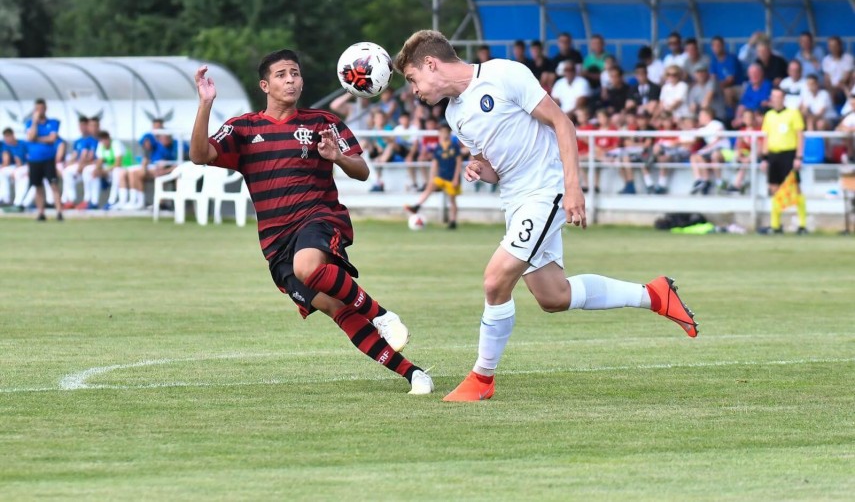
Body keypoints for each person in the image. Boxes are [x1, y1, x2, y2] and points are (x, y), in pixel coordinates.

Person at [393, 30, 698, 402]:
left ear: (431, 63)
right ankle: (653, 295)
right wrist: (478, 169)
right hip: (516, 201)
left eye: (413, 79)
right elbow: (494, 168)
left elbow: (562, 123)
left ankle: (482, 378)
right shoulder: (454, 114)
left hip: (545, 191)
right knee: (554, 296)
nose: (414, 90)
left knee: (495, 281)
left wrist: (573, 187)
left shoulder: (503, 74)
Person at [188, 49, 433, 395]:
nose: (291, 80)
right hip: (275, 244)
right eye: (282, 75)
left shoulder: (323, 122)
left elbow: (362, 171)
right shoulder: (243, 128)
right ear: (265, 85)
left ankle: (382, 315)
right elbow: (199, 155)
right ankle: (414, 374)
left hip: (318, 219)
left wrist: (338, 157)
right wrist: (205, 104)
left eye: (295, 73)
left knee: (308, 267)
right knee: (336, 307)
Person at [759, 88, 807, 234]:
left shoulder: (793, 113)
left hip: (789, 154)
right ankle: (775, 225)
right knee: (774, 189)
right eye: (773, 97)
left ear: (783, 98)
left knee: (795, 188)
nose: (775, 99)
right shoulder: (769, 115)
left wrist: (799, 156)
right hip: (773, 155)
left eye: (778, 97)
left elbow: (800, 135)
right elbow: (766, 137)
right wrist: (764, 158)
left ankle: (802, 225)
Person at [404, 123, 463, 229]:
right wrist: (432, 178)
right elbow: (435, 164)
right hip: (441, 176)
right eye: (442, 132)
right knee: (430, 187)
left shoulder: (454, 146)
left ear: (449, 133)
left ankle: (453, 221)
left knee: (452, 200)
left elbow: (459, 163)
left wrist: (456, 178)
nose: (443, 134)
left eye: (445, 132)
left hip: (451, 177)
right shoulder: (438, 147)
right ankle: (417, 206)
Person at [24, 99, 63, 221]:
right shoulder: (29, 123)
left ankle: (59, 212)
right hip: (34, 160)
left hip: (48, 159)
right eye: (37, 109)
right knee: (38, 186)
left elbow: (52, 139)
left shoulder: (53, 122)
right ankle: (41, 213)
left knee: (54, 185)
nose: (40, 111)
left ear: (45, 109)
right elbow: (30, 137)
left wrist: (37, 139)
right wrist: (35, 123)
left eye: (41, 108)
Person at [60, 116, 98, 209]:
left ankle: (87, 200)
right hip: (79, 165)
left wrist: (81, 165)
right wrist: (68, 163)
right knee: (66, 171)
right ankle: (69, 199)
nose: (82, 128)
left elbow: (89, 156)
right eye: (80, 125)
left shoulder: (92, 140)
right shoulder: (78, 141)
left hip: (89, 165)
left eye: (84, 125)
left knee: (85, 171)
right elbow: (75, 155)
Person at [1, 128, 28, 207]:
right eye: (5, 137)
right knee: (2, 172)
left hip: (27, 166)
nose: (7, 139)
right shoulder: (6, 146)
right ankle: (5, 199)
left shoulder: (23, 144)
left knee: (19, 174)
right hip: (15, 167)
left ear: (13, 135)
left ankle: (18, 202)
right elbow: (6, 160)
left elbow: (30, 157)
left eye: (8, 136)